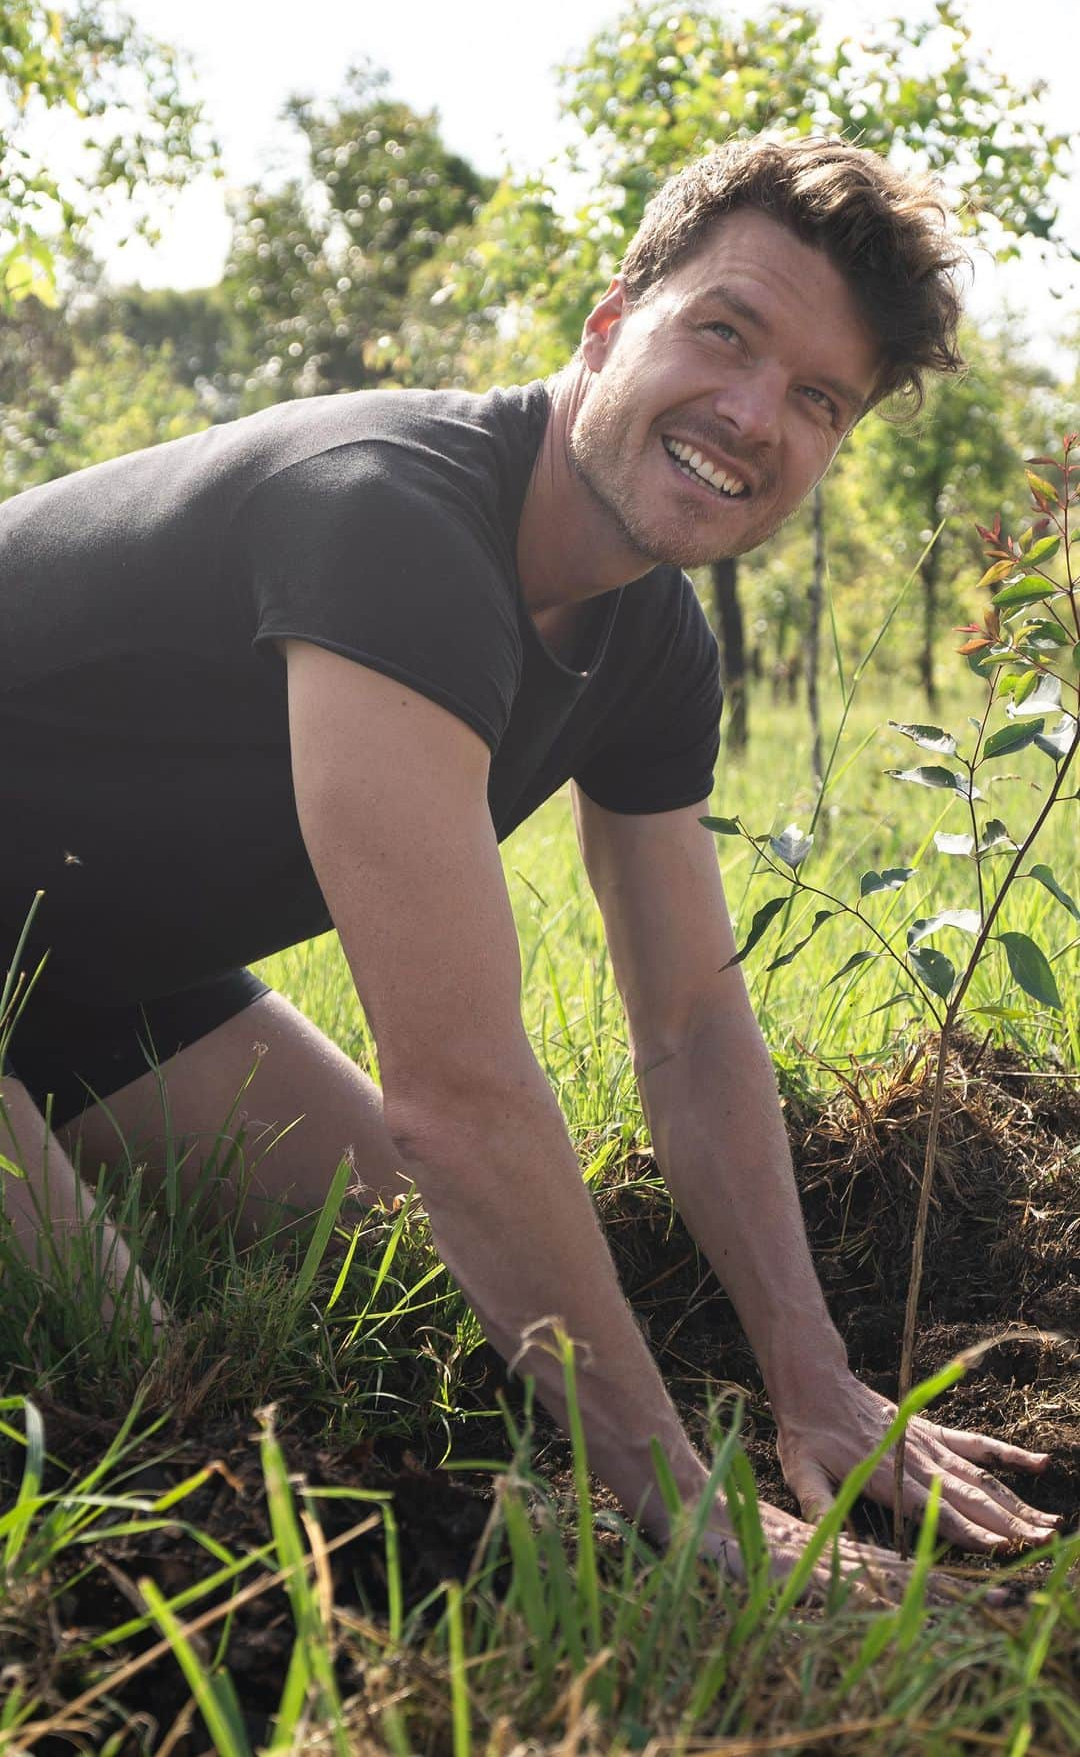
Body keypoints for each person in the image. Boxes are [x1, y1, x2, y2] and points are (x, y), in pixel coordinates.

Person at [0, 136, 1058, 1583]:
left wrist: (817, 1382)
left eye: (818, 398)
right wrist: (694, 1511)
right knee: (127, 1366)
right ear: (611, 320)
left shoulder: (654, 648)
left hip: (95, 977)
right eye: (725, 332)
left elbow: (689, 1024)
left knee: (410, 1263)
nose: (753, 415)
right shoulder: (390, 514)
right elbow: (461, 1094)